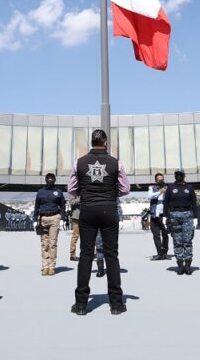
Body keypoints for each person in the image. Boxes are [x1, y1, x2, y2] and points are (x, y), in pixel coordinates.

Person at [68, 128, 130, 315]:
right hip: (108, 210)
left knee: (86, 255)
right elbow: (125, 188)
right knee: (112, 255)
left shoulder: (79, 162)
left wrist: (86, 192)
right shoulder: (115, 163)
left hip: (87, 210)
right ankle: (116, 304)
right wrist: (110, 193)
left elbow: (71, 189)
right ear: (105, 143)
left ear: (91, 143)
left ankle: (80, 304)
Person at [163, 169, 197, 275]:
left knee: (187, 241)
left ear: (184, 175)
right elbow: (166, 203)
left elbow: (194, 203)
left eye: (180, 174)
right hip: (174, 216)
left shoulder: (189, 188)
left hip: (187, 215)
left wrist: (195, 218)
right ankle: (180, 266)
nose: (178, 176)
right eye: (176, 174)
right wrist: (165, 216)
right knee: (177, 241)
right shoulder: (170, 188)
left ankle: (187, 266)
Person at [33, 172, 67, 276]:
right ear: (46, 180)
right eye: (48, 178)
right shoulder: (40, 192)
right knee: (44, 244)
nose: (50, 180)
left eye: (52, 179)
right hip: (43, 219)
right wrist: (35, 219)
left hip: (54, 218)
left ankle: (52, 267)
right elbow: (37, 206)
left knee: (52, 243)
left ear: (55, 180)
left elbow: (63, 206)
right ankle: (45, 266)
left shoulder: (58, 192)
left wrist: (63, 218)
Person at [147, 172, 169, 260]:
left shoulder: (168, 187)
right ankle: (159, 253)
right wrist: (160, 192)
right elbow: (150, 196)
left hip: (164, 215)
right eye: (159, 179)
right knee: (156, 235)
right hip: (154, 215)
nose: (161, 180)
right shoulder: (152, 187)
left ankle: (164, 252)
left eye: (162, 179)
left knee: (165, 234)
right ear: (156, 180)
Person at [68, 196, 81, 261]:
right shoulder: (74, 193)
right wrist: (80, 199)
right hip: (76, 217)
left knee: (88, 236)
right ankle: (72, 254)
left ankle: (90, 254)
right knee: (75, 236)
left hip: (87, 216)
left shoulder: (88, 189)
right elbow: (71, 202)